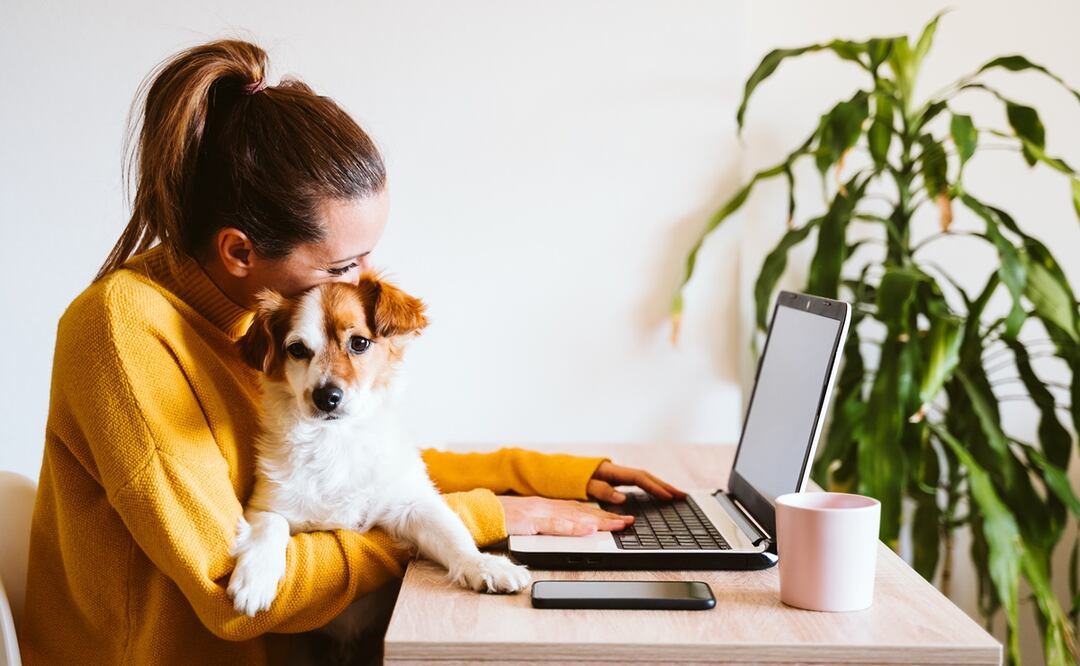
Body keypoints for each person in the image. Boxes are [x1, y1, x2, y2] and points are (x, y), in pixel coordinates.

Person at [18, 39, 688, 665]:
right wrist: (478, 518)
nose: (363, 282)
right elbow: (230, 591)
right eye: (344, 263)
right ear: (240, 251)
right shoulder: (124, 332)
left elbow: (352, 473)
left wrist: (542, 475)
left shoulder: (257, 325)